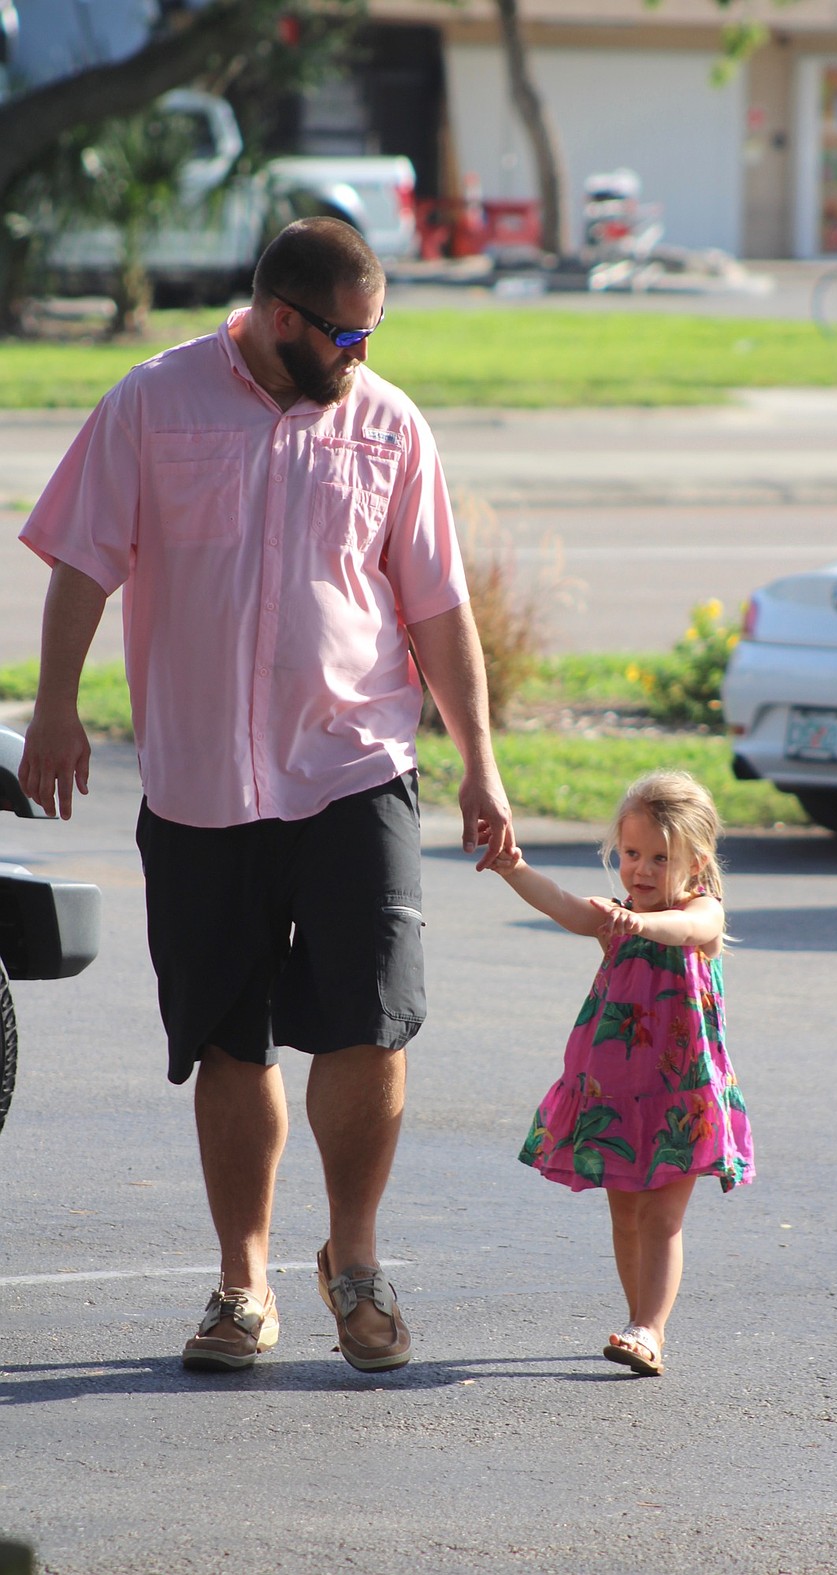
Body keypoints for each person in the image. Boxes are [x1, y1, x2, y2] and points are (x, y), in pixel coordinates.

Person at [17, 217, 514, 1375]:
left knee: (368, 1022)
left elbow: (435, 606)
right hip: (198, 781)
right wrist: (54, 706)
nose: (362, 354)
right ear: (279, 318)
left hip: (355, 767)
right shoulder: (153, 401)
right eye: (344, 334)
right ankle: (242, 1284)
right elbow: (83, 559)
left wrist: (480, 762)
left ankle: (354, 1262)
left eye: (375, 331)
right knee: (227, 1037)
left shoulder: (387, 423)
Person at [492, 769, 754, 1376]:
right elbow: (563, 906)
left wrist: (639, 923)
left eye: (660, 858)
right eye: (632, 854)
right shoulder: (616, 915)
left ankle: (650, 1329)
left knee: (661, 1218)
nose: (640, 870)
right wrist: (513, 869)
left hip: (680, 1096)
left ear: (697, 862)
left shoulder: (700, 912)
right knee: (625, 1213)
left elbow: (690, 930)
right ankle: (638, 1320)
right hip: (613, 1091)